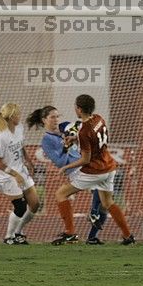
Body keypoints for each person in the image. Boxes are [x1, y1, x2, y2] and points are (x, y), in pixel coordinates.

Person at [52, 95, 135, 246]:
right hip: (109, 166)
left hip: (95, 171)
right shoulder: (99, 118)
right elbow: (93, 138)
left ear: (79, 109)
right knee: (108, 202)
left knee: (60, 194)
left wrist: (66, 167)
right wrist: (75, 139)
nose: (75, 109)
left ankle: (70, 233)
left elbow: (85, 160)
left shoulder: (84, 131)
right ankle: (128, 236)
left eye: (76, 107)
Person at [26, 105, 107, 245]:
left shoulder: (65, 128)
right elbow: (59, 162)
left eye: (57, 116)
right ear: (44, 120)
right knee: (97, 197)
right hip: (76, 170)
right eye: (52, 117)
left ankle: (79, 234)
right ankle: (79, 232)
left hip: (86, 164)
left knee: (103, 201)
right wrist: (65, 147)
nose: (56, 119)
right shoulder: (47, 140)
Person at [0, 103, 40, 245]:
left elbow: (21, 145)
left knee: (35, 204)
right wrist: (14, 174)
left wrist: (29, 161)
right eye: (18, 114)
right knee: (20, 206)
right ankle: (8, 236)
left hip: (20, 169)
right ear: (11, 116)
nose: (20, 116)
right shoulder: (0, 136)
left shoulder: (19, 128)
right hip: (5, 174)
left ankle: (18, 232)